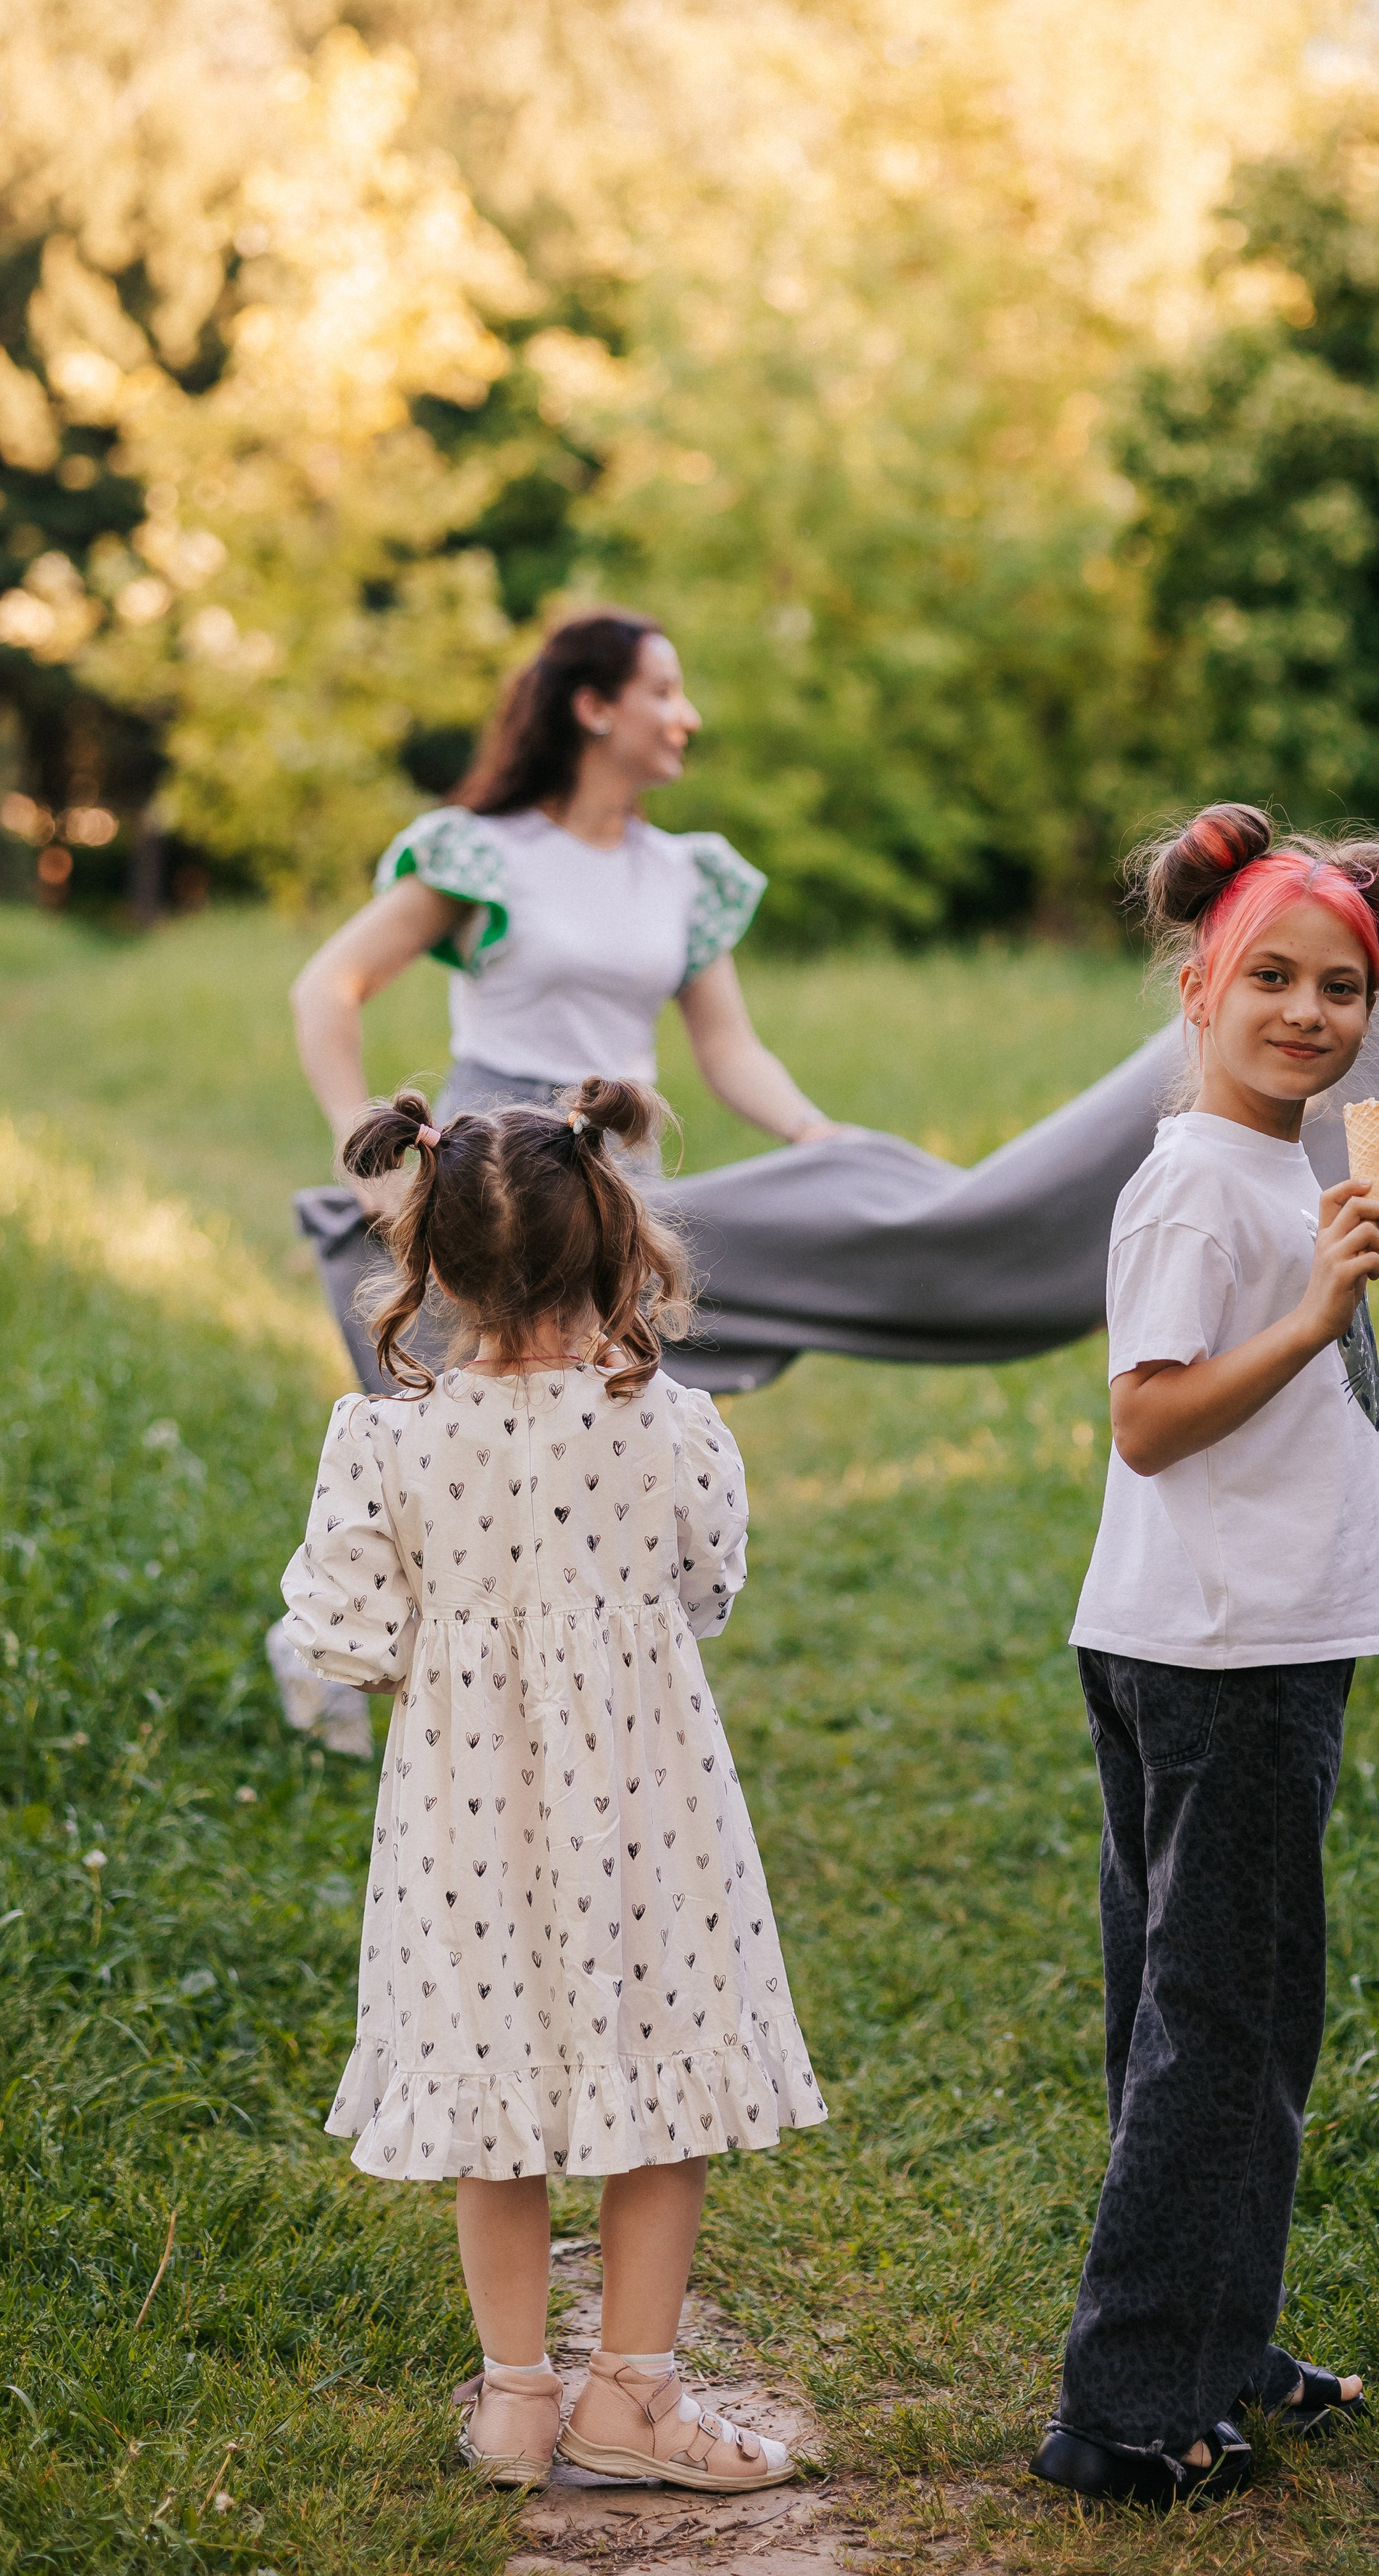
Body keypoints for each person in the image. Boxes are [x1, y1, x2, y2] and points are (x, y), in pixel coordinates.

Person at [276, 1076, 826, 2491]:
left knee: (491, 2099)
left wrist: (454, 1673)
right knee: (667, 2097)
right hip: (652, 1816)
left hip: (460, 1824)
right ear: (615, 1240)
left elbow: (339, 1640)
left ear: (429, 1262)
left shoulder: (382, 1441)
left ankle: (520, 2403)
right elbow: (706, 1593)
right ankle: (631, 2397)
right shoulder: (674, 1429)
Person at [1032, 804, 1379, 2514]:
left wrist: (1325, 1233)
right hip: (1226, 1656)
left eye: (1337, 985)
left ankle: (1215, 2335)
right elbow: (1145, 1419)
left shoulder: (1269, 1165)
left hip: (1210, 1636)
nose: (1304, 1010)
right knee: (1226, 2021)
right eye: (1266, 973)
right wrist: (1310, 1298)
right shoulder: (1197, 1181)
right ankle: (1126, 2407)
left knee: (1202, 2014)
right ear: (1195, 978)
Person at [290, 608, 836, 1220]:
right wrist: (359, 1146)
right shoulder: (484, 854)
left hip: (620, 1181)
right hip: (490, 1180)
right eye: (663, 693)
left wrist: (811, 1131)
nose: (690, 717)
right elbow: (327, 987)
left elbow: (729, 1048)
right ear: (594, 709)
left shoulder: (683, 874)